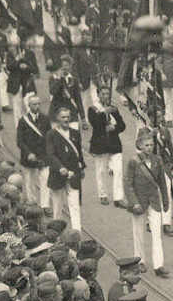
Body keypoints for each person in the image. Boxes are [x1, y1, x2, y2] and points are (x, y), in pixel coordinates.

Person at [123, 128, 170, 277]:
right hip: (138, 202)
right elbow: (127, 183)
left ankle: (159, 265)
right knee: (139, 233)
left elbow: (162, 182)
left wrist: (165, 199)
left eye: (151, 145)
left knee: (157, 233)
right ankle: (140, 261)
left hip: (154, 201)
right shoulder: (133, 161)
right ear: (140, 146)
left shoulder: (158, 160)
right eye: (147, 145)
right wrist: (133, 202)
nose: (150, 148)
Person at [44, 103, 86, 232]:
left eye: (68, 117)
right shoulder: (51, 134)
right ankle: (56, 232)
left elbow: (78, 152)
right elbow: (50, 155)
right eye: (63, 117)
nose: (66, 119)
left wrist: (82, 167)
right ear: (57, 118)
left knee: (74, 205)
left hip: (73, 174)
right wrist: (60, 167)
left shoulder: (75, 133)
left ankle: (76, 232)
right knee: (57, 207)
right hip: (58, 174)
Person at [87, 84, 127, 208]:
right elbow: (96, 125)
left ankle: (118, 197)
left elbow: (122, 125)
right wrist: (104, 113)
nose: (105, 96)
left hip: (114, 144)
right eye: (103, 94)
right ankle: (102, 194)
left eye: (107, 94)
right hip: (100, 144)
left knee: (118, 170)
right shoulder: (93, 109)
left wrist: (114, 127)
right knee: (101, 171)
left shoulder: (113, 109)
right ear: (98, 95)